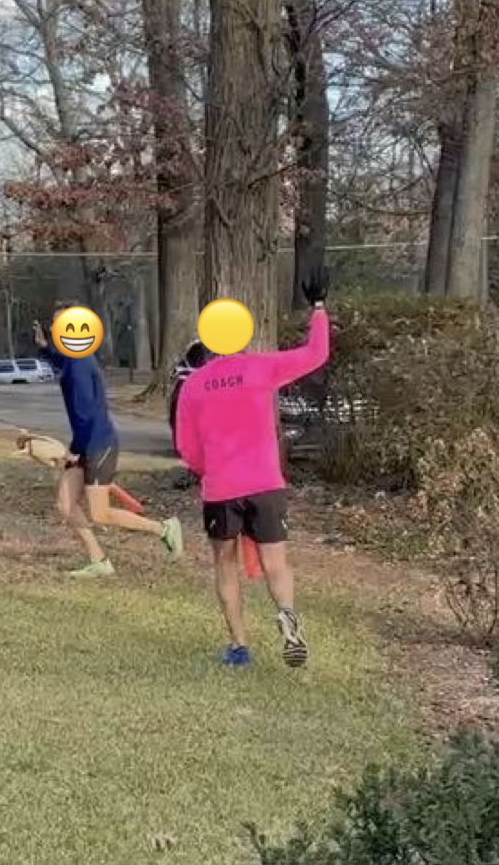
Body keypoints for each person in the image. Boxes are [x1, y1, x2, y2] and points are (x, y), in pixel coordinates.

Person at [174, 269, 331, 668]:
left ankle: (240, 647)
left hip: (222, 487)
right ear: (243, 334)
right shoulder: (262, 368)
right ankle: (288, 619)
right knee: (275, 561)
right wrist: (318, 308)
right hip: (265, 483)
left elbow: (185, 446)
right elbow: (316, 354)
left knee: (224, 564)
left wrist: (207, 470)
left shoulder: (194, 385)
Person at [35, 302, 183, 578]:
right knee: (65, 505)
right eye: (54, 324)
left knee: (100, 514)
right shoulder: (74, 354)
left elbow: (87, 414)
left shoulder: (78, 363)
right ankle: (99, 561)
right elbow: (61, 361)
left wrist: (77, 453)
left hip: (97, 444)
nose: (56, 329)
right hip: (83, 443)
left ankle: (163, 528)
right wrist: (44, 348)